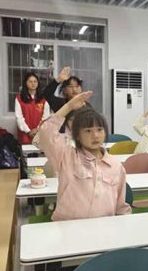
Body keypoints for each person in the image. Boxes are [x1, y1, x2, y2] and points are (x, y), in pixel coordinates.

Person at [38, 91, 131, 221]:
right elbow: (46, 132)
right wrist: (69, 106)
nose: (95, 135)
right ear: (77, 135)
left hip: (104, 227)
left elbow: (120, 206)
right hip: (67, 226)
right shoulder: (67, 157)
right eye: (88, 131)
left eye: (99, 130)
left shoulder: (115, 165)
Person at [15, 73, 50, 144]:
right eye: (30, 81)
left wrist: (37, 130)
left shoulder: (43, 99)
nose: (33, 83)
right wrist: (28, 131)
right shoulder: (19, 98)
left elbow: (46, 117)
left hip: (40, 134)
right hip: (25, 134)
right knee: (26, 150)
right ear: (25, 83)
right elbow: (19, 118)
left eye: (35, 81)